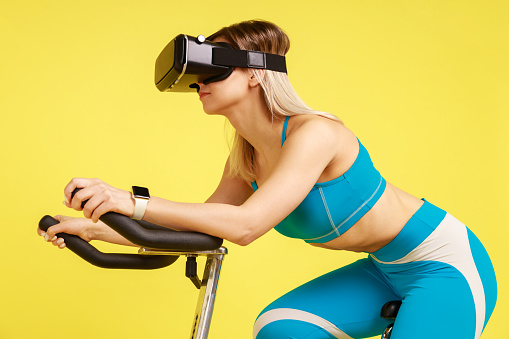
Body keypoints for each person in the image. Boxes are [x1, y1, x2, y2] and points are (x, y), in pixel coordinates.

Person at [37, 20, 497, 339]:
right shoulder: (248, 158)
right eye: (195, 77)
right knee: (282, 327)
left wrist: (130, 201)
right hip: (383, 269)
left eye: (214, 68)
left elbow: (245, 226)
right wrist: (99, 225)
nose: (200, 83)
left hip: (444, 265)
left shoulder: (316, 134)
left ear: (257, 72)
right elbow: (198, 231)